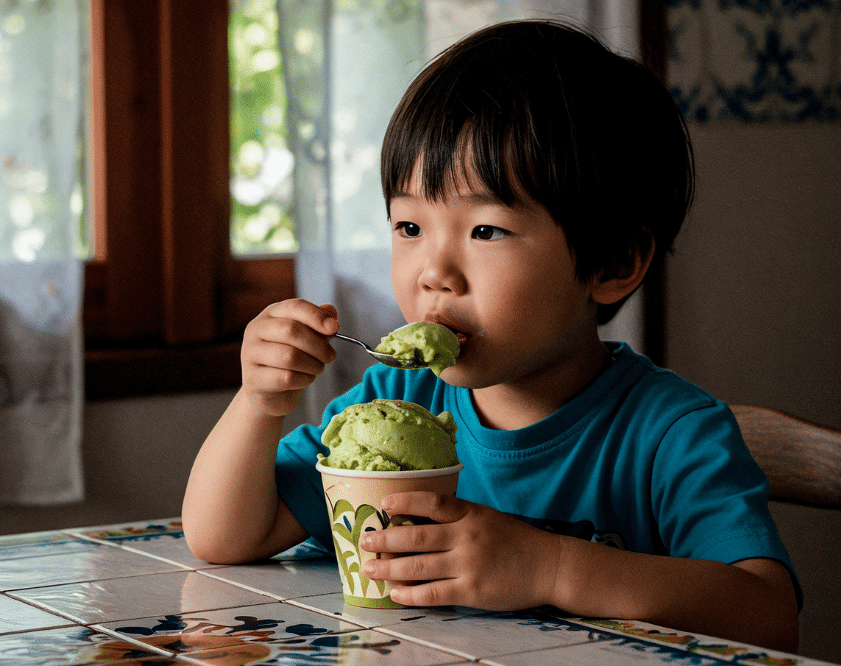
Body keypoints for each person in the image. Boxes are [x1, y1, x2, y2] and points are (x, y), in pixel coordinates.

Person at [183, 20, 800, 651]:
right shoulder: (396, 404)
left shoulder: (672, 434)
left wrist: (549, 568)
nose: (434, 273)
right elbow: (222, 538)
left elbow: (768, 612)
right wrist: (259, 404)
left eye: (486, 231)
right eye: (409, 227)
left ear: (613, 264)